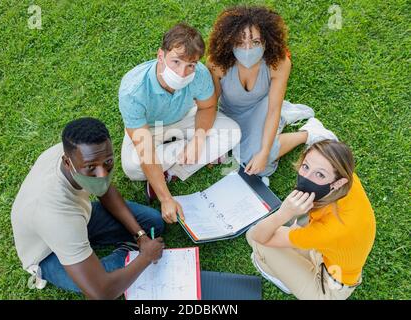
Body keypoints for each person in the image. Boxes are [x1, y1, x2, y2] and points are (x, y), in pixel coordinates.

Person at [11, 117, 165, 299]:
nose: (102, 175)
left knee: (152, 222)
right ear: (68, 163)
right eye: (91, 167)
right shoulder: (55, 216)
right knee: (105, 277)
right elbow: (101, 293)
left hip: (79, 217)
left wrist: (140, 235)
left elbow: (104, 188)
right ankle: (126, 251)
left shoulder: (76, 153)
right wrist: (145, 258)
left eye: (108, 162)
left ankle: (128, 247)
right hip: (48, 253)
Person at [119, 23, 241, 224]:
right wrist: (165, 198)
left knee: (232, 132)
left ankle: (170, 171)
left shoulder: (199, 74)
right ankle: (173, 165)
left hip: (185, 117)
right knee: (132, 167)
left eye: (190, 65)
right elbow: (144, 147)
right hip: (149, 128)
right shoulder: (132, 90)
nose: (183, 73)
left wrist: (198, 139)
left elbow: (208, 107)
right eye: (176, 61)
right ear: (161, 55)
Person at [207, 5, 337, 184]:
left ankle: (308, 133)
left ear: (266, 41)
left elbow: (274, 109)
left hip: (263, 108)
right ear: (229, 42)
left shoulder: (279, 63)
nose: (247, 49)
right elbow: (211, 105)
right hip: (229, 114)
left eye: (255, 42)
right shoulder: (217, 63)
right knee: (237, 155)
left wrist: (264, 152)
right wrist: (213, 141)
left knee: (259, 161)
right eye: (240, 42)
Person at [246, 140, 376, 300]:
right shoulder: (347, 180)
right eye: (306, 166)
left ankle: (283, 278)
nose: (306, 178)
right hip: (330, 256)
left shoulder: (330, 230)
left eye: (320, 174)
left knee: (257, 241)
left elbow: (258, 237)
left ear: (339, 182)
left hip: (330, 287)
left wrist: (284, 213)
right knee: (270, 232)